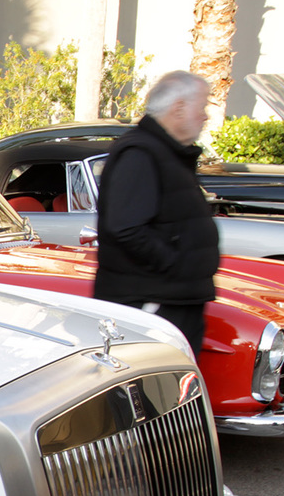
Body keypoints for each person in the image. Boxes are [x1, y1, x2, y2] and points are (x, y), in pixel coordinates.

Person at [94, 70, 219, 355]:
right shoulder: (140, 153)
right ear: (178, 108)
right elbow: (125, 227)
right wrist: (175, 265)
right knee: (155, 394)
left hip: (171, 297)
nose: (204, 116)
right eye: (201, 107)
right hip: (153, 301)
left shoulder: (165, 152)